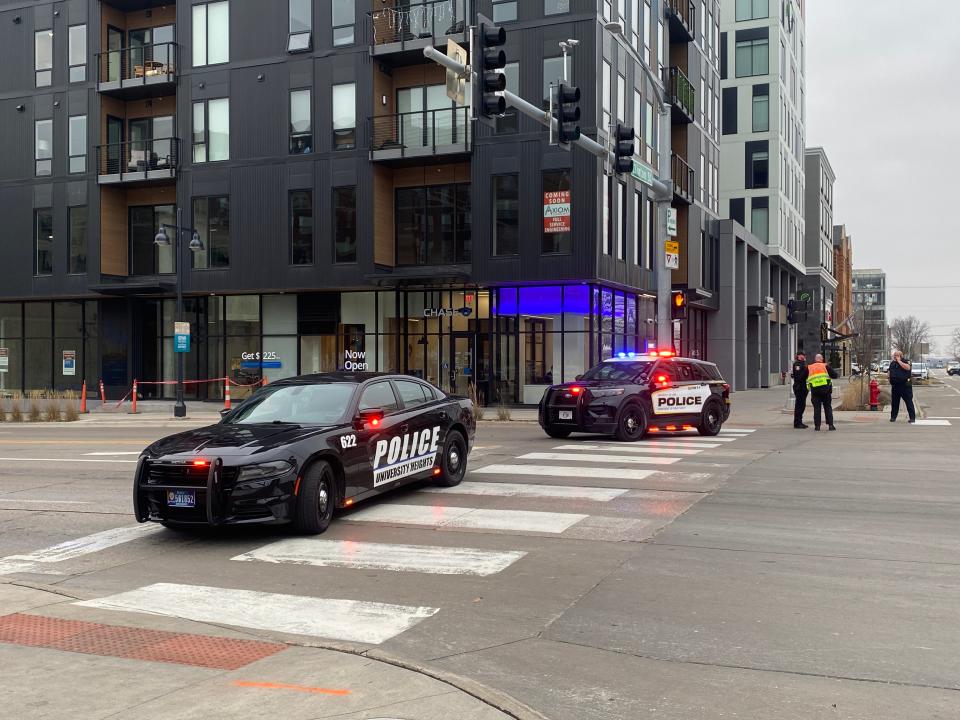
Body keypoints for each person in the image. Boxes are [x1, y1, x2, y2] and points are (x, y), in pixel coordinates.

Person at [806, 353, 838, 431]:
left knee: (817, 409)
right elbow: (835, 375)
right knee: (827, 408)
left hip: (815, 391)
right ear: (822, 359)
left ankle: (817, 426)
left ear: (815, 359)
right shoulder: (825, 366)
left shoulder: (810, 367)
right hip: (826, 391)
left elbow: (804, 377)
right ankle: (830, 425)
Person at [888, 349, 916, 423]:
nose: (894, 357)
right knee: (894, 403)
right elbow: (890, 372)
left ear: (900, 356)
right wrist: (889, 378)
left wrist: (899, 361)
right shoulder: (893, 363)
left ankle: (912, 418)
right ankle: (893, 417)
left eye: (896, 356)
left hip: (905, 386)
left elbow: (908, 368)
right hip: (895, 386)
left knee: (908, 402)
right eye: (894, 356)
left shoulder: (906, 361)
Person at [791, 351, 809, 429]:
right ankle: (797, 423)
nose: (804, 356)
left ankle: (799, 422)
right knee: (799, 405)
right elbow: (799, 377)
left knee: (802, 405)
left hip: (803, 387)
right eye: (802, 355)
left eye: (804, 355)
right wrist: (806, 370)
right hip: (799, 387)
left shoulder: (803, 364)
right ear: (798, 356)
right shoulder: (797, 364)